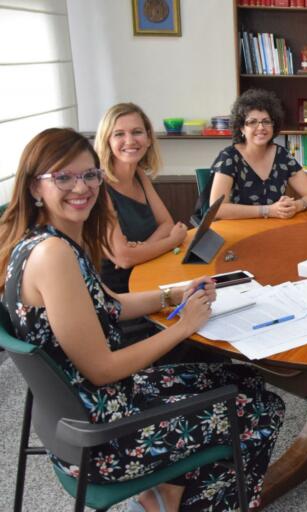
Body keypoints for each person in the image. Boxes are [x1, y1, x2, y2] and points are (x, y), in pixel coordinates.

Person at [0, 128, 284, 511]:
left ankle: (167, 493)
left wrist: (176, 294)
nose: (80, 187)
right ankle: (179, 502)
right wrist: (185, 326)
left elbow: (109, 303)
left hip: (84, 413)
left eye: (88, 175)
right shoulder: (54, 255)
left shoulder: (46, 240)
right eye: (63, 177)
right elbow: (102, 369)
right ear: (36, 187)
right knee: (260, 408)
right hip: (104, 436)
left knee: (245, 378)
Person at [94, 102, 187, 294]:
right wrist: (173, 241)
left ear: (148, 138)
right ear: (107, 141)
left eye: (137, 132)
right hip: (120, 293)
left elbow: (167, 224)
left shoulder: (139, 174)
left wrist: (141, 249)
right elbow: (124, 259)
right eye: (119, 134)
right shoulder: (99, 187)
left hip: (149, 271)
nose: (130, 141)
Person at [208, 88, 307, 220]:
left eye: (266, 121)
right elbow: (217, 209)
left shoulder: (282, 155)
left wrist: (296, 206)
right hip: (239, 229)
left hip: (273, 228)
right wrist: (267, 210)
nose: (261, 127)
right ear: (241, 128)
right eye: (252, 122)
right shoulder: (229, 157)